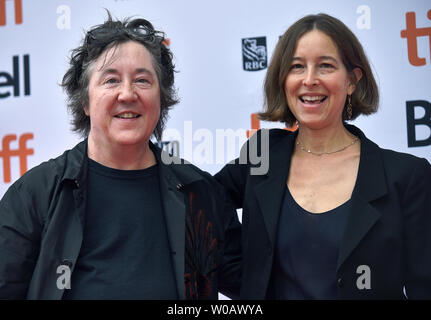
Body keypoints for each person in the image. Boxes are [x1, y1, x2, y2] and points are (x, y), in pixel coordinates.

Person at [0, 13, 241, 300]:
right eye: (111, 80)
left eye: (142, 80)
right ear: (85, 101)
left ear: (161, 99)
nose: (127, 94)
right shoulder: (37, 194)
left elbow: (260, 282)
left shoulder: (200, 193)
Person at [215, 13, 431, 299]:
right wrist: (250, 280)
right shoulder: (262, 156)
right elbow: (202, 201)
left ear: (352, 81)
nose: (309, 79)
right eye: (296, 67)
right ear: (283, 79)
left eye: (325, 66)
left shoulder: (407, 176)